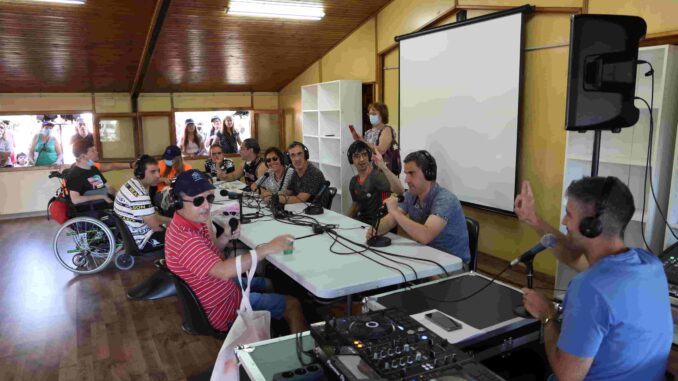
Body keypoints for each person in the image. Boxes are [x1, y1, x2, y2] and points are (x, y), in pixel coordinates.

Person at [516, 177, 672, 381]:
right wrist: (532, 219)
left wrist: (547, 315)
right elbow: (574, 257)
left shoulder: (590, 288)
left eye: (569, 215)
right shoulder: (649, 264)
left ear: (591, 226)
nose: (564, 222)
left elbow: (568, 376)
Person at [164, 169, 307, 333]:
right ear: (178, 202)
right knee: (293, 305)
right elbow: (224, 271)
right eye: (197, 201)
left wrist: (225, 237)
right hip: (223, 309)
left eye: (209, 198)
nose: (206, 206)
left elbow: (211, 255)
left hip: (221, 290)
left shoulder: (191, 222)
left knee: (268, 283)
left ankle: (272, 323)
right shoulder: (186, 239)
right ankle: (297, 350)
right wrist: (267, 248)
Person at [367, 150, 470, 263]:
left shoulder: (445, 199)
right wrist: (376, 229)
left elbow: (425, 236)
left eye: (411, 173)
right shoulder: (411, 195)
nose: (406, 180)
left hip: (453, 265)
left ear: (428, 173)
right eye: (406, 174)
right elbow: (391, 220)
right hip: (427, 256)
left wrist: (394, 211)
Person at [114, 155, 170, 251]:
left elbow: (152, 217)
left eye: (158, 171)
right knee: (184, 234)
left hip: (131, 236)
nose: (158, 175)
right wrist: (175, 226)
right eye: (153, 172)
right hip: (143, 241)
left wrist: (172, 221)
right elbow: (156, 227)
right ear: (140, 174)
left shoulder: (130, 184)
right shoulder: (139, 196)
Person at [346, 140, 392, 225]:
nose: (361, 159)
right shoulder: (353, 181)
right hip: (361, 223)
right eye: (356, 156)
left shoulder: (377, 177)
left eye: (364, 154)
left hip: (378, 225)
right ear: (351, 160)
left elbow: (397, 194)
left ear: (369, 156)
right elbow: (356, 205)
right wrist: (344, 221)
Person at [351, 102, 400, 175]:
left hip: (382, 171)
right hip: (369, 170)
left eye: (374, 114)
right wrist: (358, 139)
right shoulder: (368, 132)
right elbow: (365, 149)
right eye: (369, 114)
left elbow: (381, 150)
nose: (371, 116)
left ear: (382, 114)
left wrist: (363, 141)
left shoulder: (386, 129)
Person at [66, 139, 116, 205]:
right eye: (93, 151)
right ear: (83, 156)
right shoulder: (75, 174)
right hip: (91, 210)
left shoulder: (92, 169)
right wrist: (101, 196)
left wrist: (119, 195)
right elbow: (75, 199)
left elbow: (106, 187)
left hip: (104, 204)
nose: (97, 152)